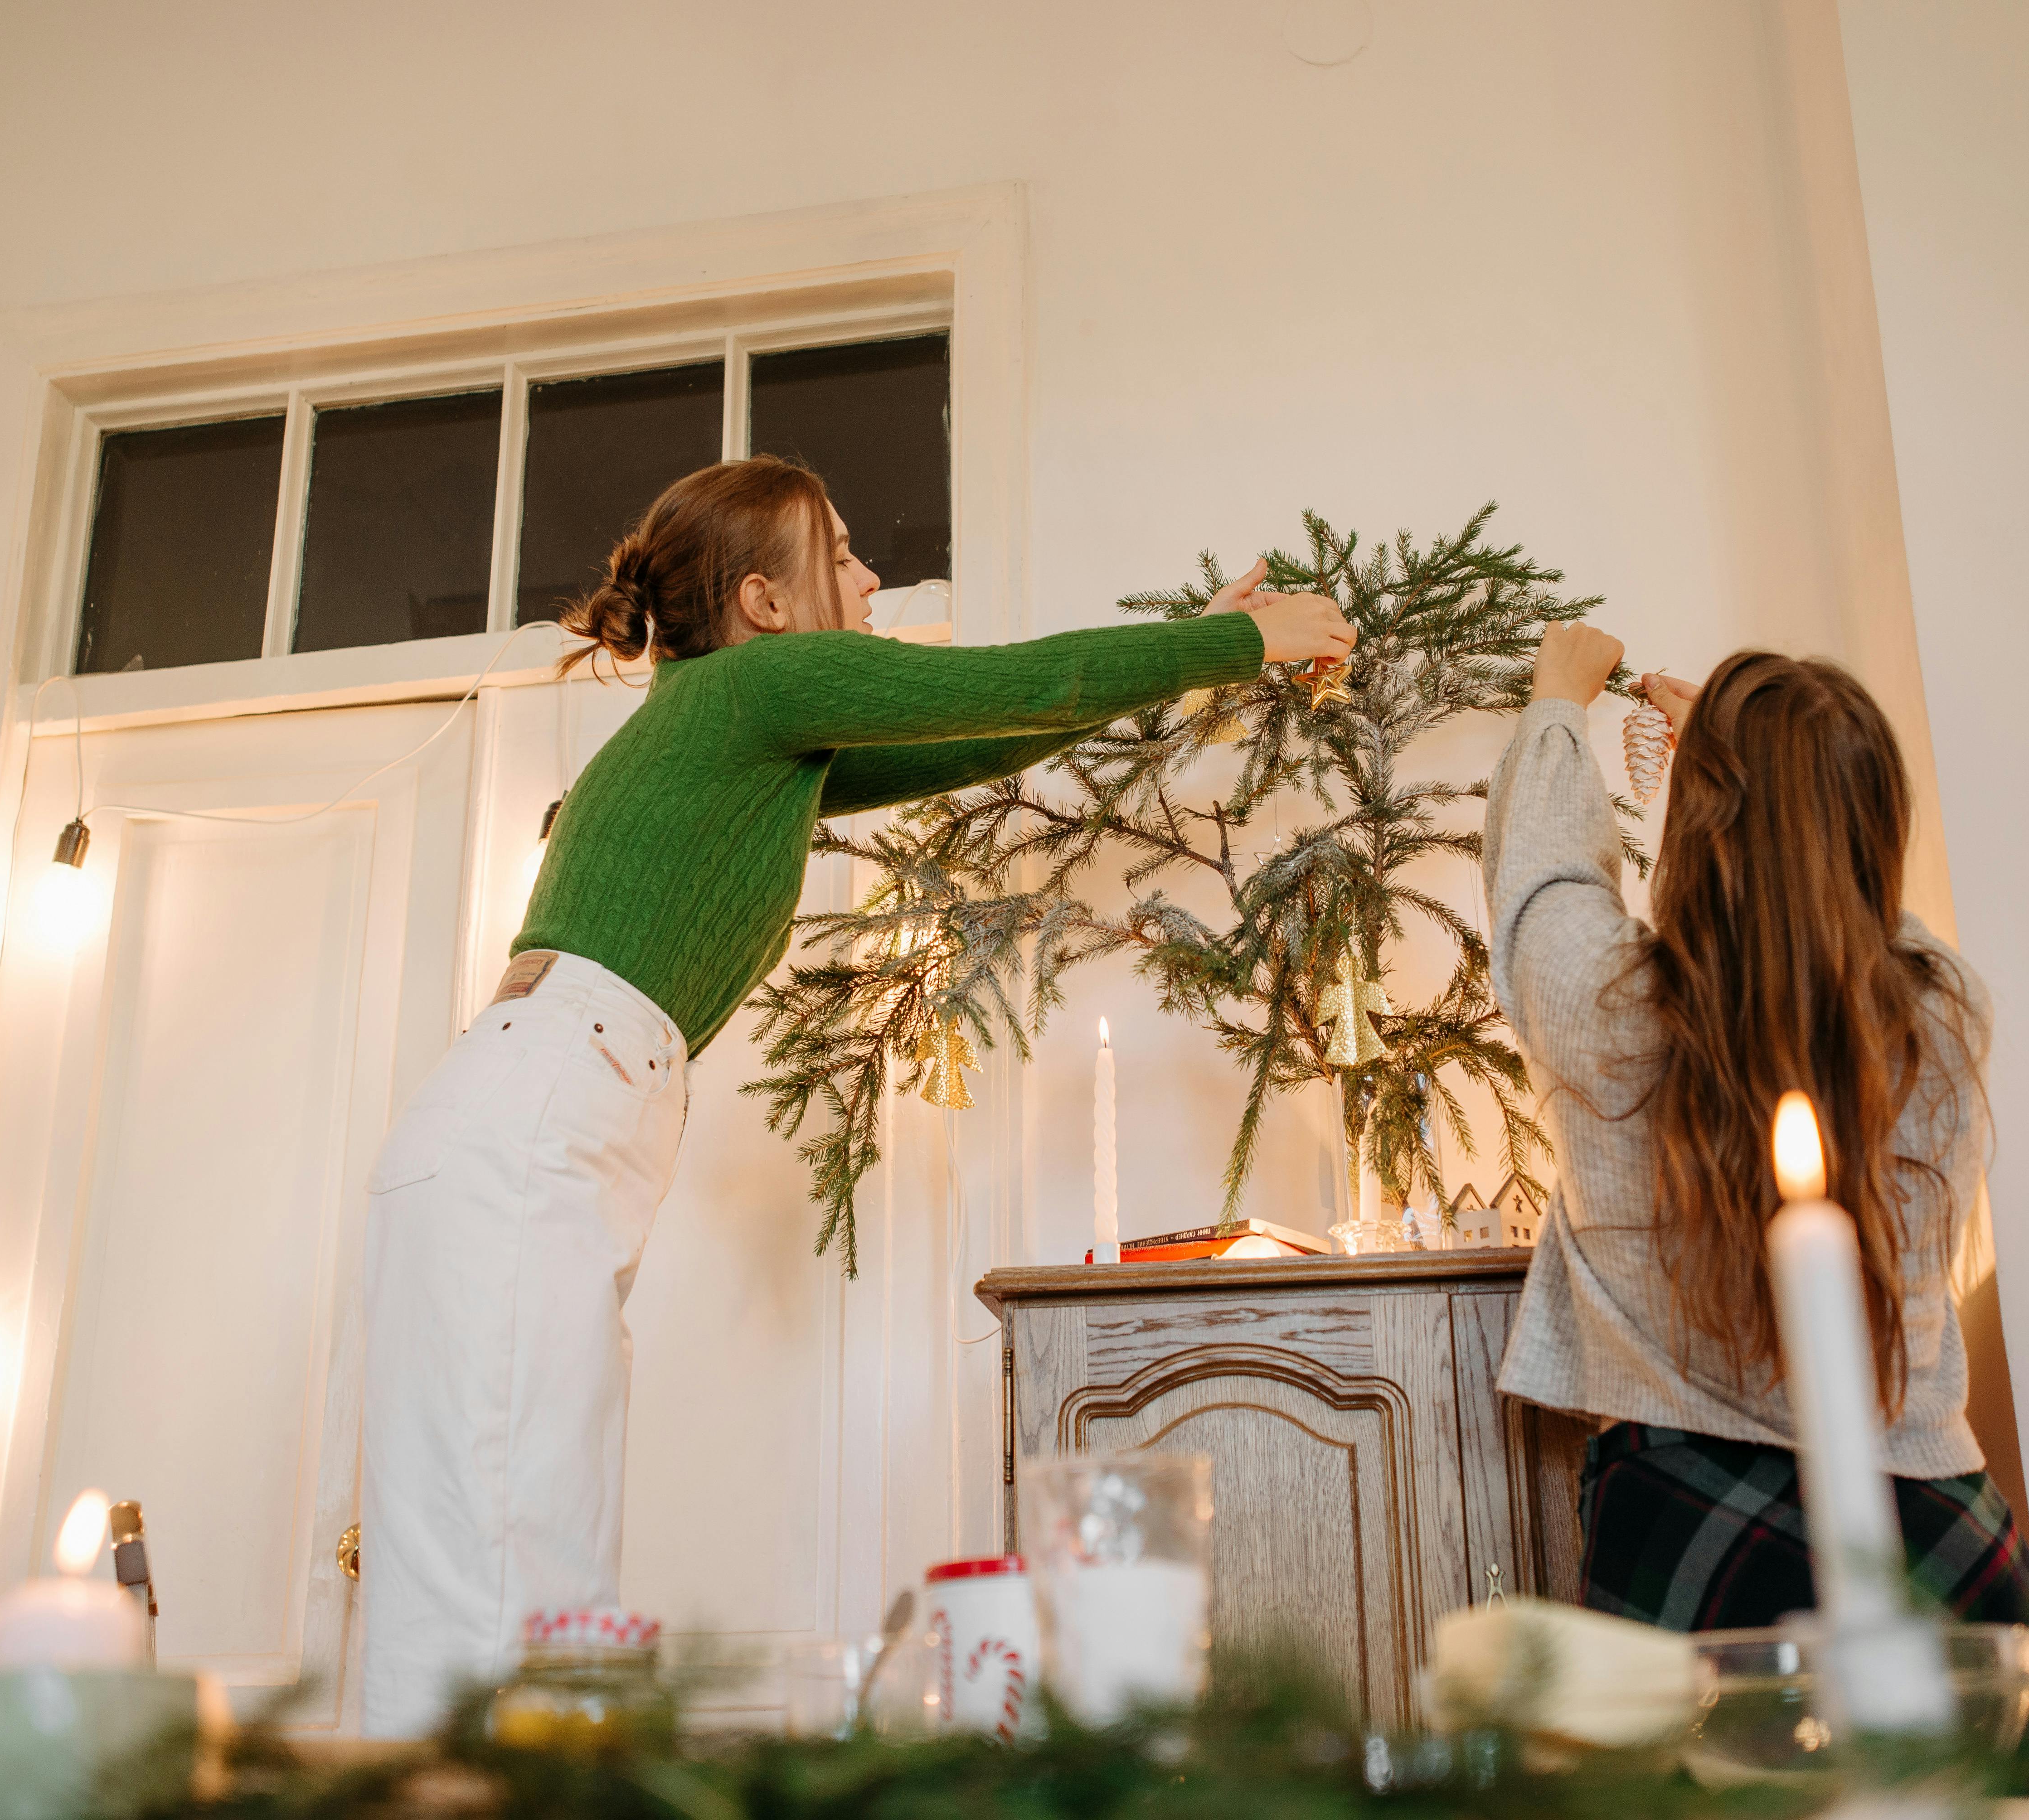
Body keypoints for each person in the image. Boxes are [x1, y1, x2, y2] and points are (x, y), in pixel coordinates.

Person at [360, 455, 1356, 1734]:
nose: (874, 576)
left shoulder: (745, 724)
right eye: (841, 552)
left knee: (518, 1552)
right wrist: (1241, 642)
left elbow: (996, 730)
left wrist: (1200, 650)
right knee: (507, 1569)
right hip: (540, 1118)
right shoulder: (756, 686)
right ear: (767, 602)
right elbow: (1015, 681)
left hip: (541, 1116)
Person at [1480, 624, 2029, 1646]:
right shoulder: (1943, 1013)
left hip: (1678, 1511)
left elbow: (1543, 884)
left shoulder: (1600, 1003)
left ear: (1698, 823)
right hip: (1922, 1509)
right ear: (1876, 823)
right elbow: (1853, 922)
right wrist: (1787, 777)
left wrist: (1557, 702)